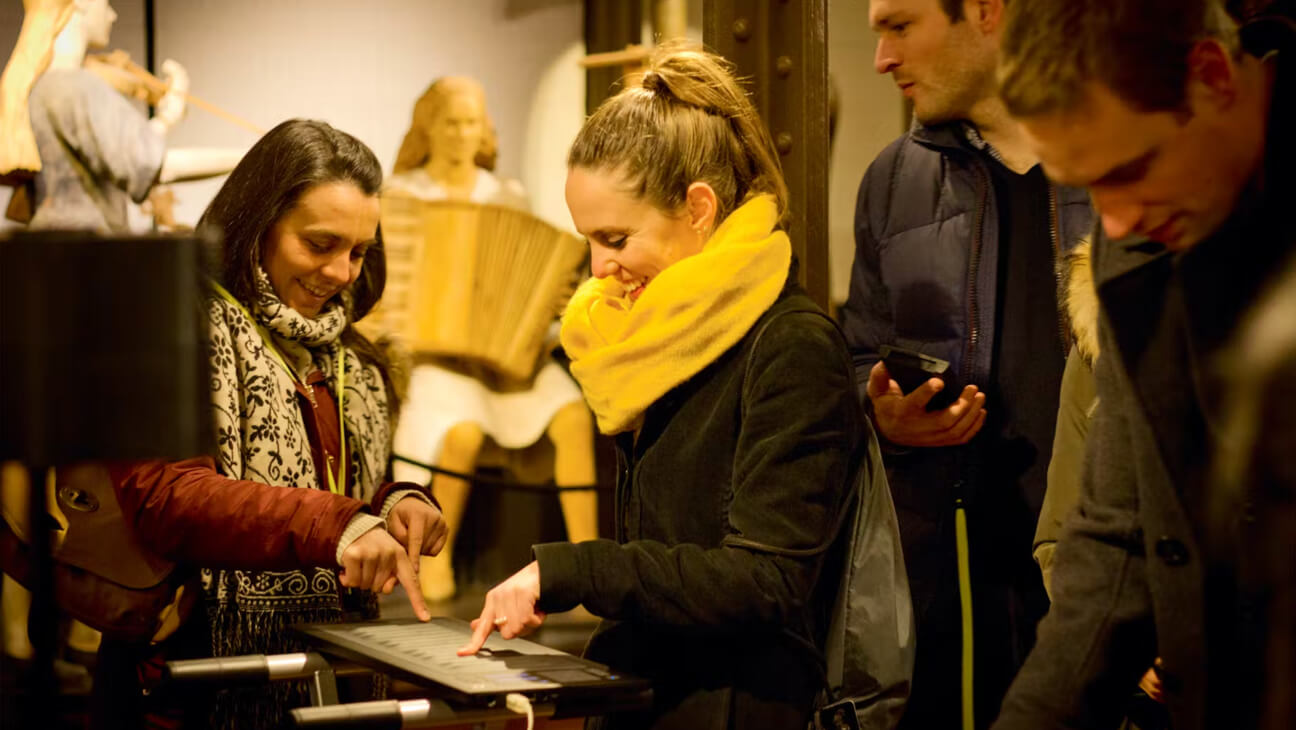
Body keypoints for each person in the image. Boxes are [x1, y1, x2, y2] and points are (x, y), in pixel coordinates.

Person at [458, 47, 867, 729]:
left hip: (737, 707)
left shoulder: (790, 346)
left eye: (615, 237)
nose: (598, 267)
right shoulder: (645, 342)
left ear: (699, 208)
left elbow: (765, 583)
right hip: (650, 691)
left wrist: (573, 572)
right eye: (588, 239)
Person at [990, 1, 1292, 728]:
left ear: (1214, 76)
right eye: (1086, 184)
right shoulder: (1140, 249)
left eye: (1130, 168)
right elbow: (1120, 529)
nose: (1114, 225)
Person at [99, 119, 447, 729]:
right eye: (320, 244)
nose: (342, 273)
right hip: (189, 681)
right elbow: (165, 497)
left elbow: (347, 493)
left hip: (333, 673)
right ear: (257, 225)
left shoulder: (354, 361)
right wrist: (340, 524)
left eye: (359, 251)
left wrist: (396, 503)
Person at [837, 1, 1093, 727]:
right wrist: (882, 410)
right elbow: (858, 352)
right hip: (953, 578)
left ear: (986, 11)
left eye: (900, 26)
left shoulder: (1115, 149)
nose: (883, 59)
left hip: (1100, 565)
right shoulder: (892, 179)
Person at [382, 76, 597, 603]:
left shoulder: (505, 195)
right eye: (451, 121)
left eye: (471, 122)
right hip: (432, 355)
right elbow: (388, 290)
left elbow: (529, 274)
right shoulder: (403, 195)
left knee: (571, 415)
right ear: (429, 126)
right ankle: (436, 561)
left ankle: (589, 558)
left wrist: (550, 307)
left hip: (501, 361)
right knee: (460, 433)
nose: (461, 133)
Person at [0, 0, 242, 231]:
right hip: (82, 250)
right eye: (106, 4)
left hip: (59, 245)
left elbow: (125, 157)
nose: (113, 15)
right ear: (82, 3)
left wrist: (166, 118)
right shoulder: (74, 86)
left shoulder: (42, 86)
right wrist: (253, 156)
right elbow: (158, 168)